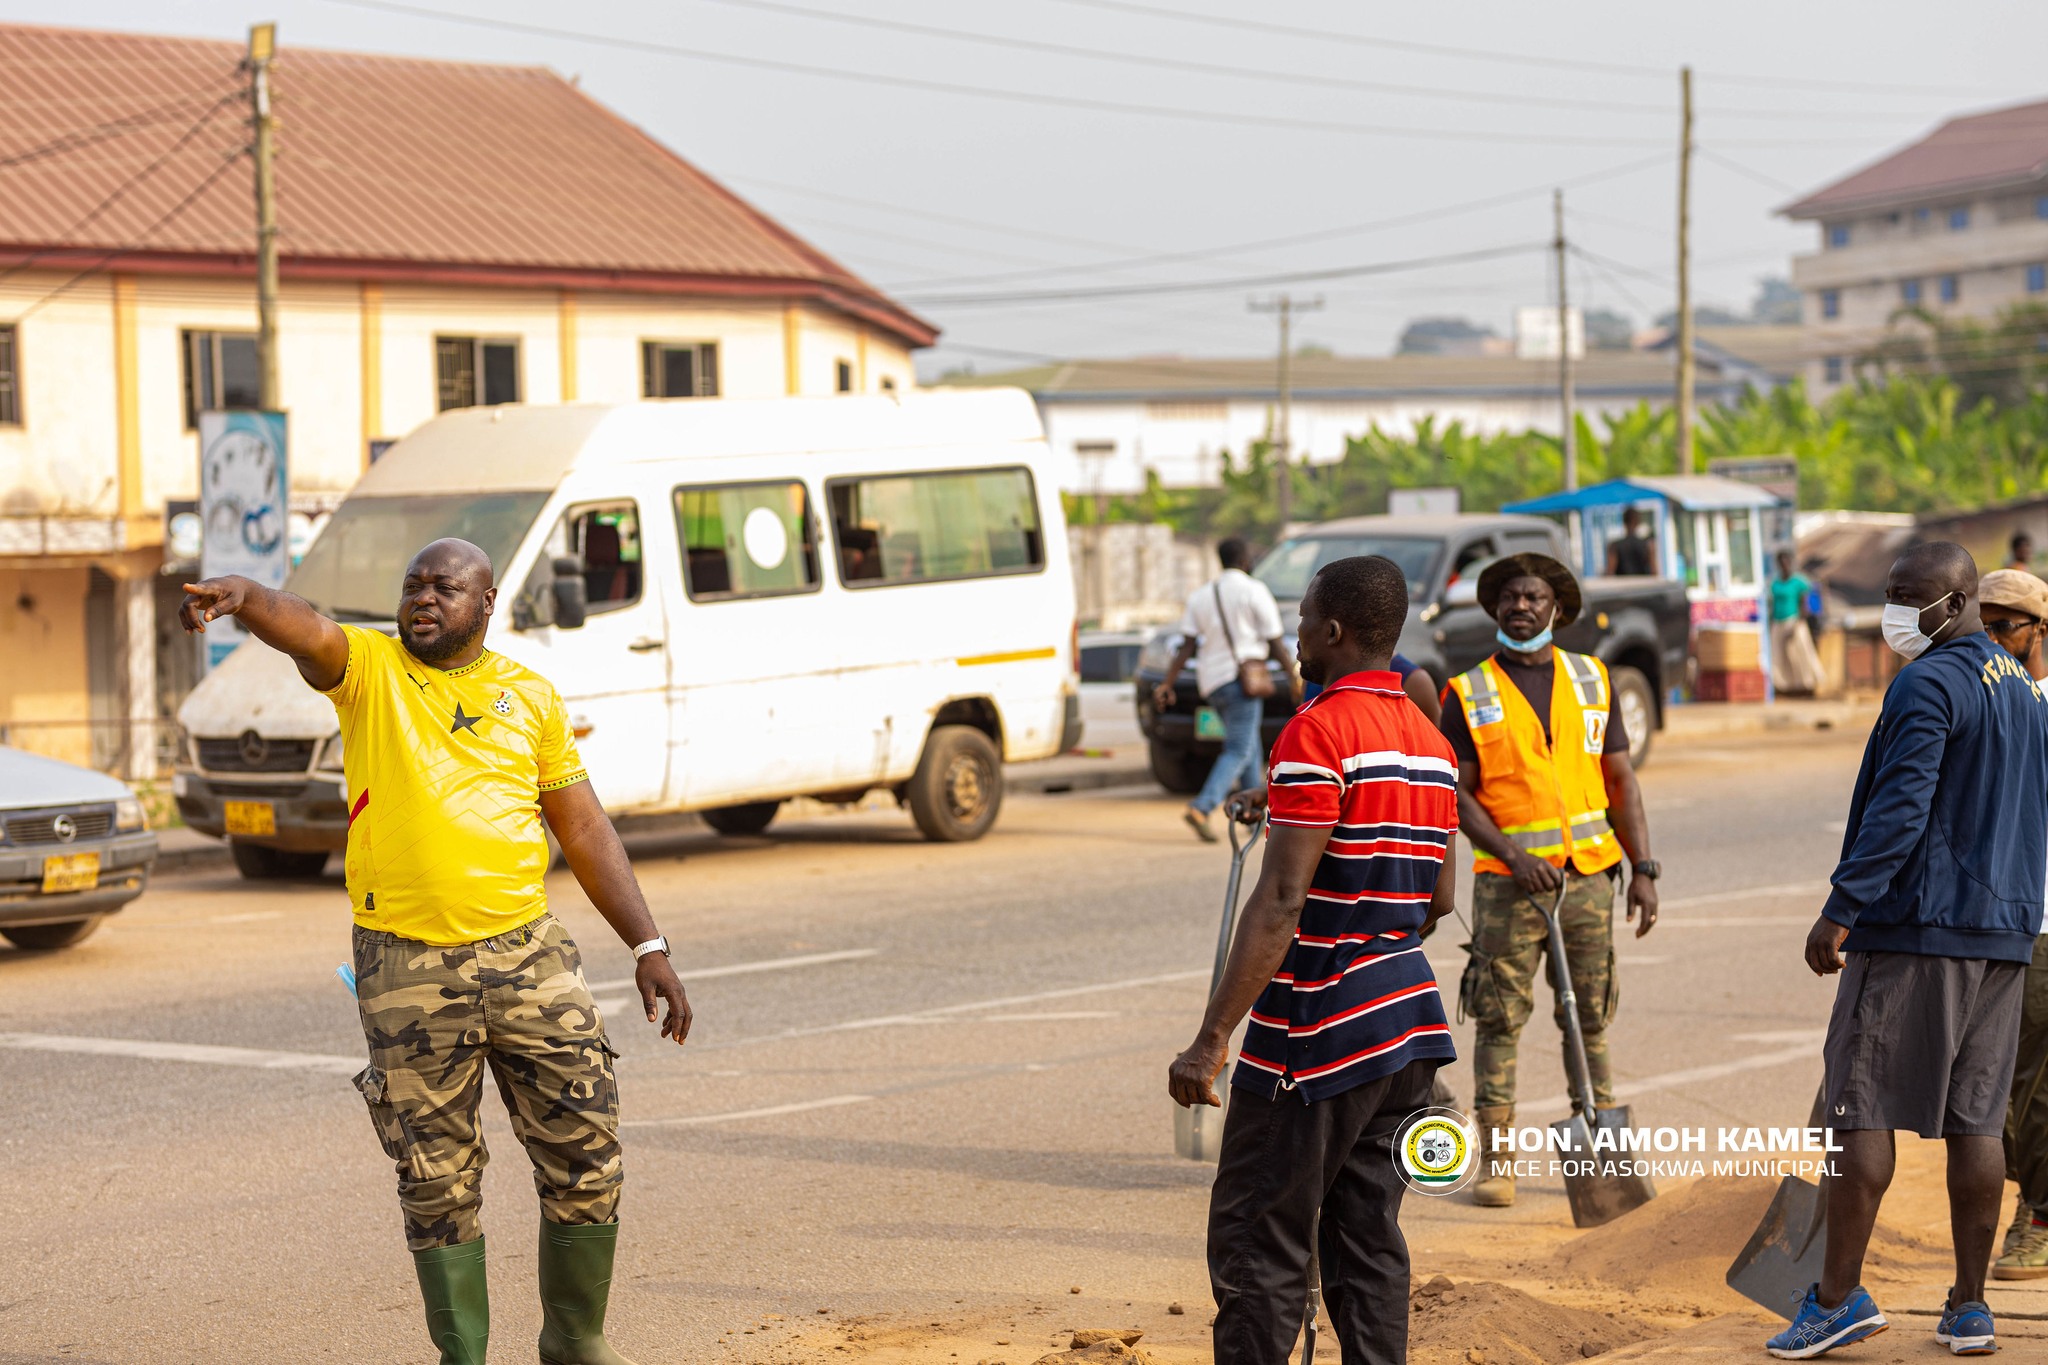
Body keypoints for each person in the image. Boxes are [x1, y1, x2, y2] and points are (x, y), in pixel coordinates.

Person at [180, 539, 691, 1365]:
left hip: (529, 955)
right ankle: (465, 1357)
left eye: (446, 587)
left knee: (586, 1149)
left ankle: (575, 1340)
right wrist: (247, 596)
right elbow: (307, 628)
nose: (424, 598)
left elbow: (586, 827)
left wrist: (648, 943)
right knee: (435, 1176)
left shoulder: (530, 696)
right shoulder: (371, 671)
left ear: (487, 604)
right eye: (413, 584)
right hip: (407, 967)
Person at [1168, 554, 1458, 1365]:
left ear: (1333, 631)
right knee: (1367, 1240)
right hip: (1407, 1032)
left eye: (1300, 622)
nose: (1293, 637)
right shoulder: (1432, 745)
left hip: (1318, 1032)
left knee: (1258, 1240)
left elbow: (1282, 901)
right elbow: (1437, 900)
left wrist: (1211, 1036)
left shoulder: (1318, 731)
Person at [1771, 543, 2048, 1360]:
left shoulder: (1928, 682)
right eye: (1892, 593)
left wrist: (1841, 907)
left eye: (1908, 595)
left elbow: (1901, 809)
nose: (1895, 608)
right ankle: (1969, 1305)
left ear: (1956, 600)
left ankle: (1835, 1299)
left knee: (1861, 1103)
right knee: (1976, 1118)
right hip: (2004, 933)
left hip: (1920, 929)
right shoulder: (2020, 688)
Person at [1439, 552, 1658, 1210]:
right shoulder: (1467, 691)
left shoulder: (1593, 679)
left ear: (1557, 607)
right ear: (1494, 609)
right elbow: (1459, 794)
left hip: (1590, 876)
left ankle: (1607, 1154)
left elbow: (1621, 781)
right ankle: (1497, 1163)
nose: (1522, 605)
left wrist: (1644, 868)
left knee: (1589, 1017)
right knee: (1499, 1019)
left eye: (1534, 596)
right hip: (1509, 887)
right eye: (1509, 596)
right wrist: (1510, 854)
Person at [1980, 569, 2048, 1282]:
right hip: (1994, 917)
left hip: (2037, 920)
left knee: (2028, 1084)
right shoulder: (1992, 697)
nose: (1994, 640)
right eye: (1986, 625)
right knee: (1985, 1087)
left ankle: (2038, 1211)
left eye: (2008, 626)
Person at [1154, 537, 1297, 843]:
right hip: (1242, 681)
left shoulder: (1201, 595)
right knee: (1238, 749)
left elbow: (1187, 645)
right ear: (1245, 558)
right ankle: (1201, 807)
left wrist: (1168, 683)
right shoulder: (1254, 590)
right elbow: (1274, 640)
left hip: (1213, 683)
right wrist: (1294, 679)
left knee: (1249, 746)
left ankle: (1253, 819)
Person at [1771, 549, 1824, 696]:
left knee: (1801, 654)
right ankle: (1786, 686)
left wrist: (1798, 622)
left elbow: (1804, 604)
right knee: (1780, 656)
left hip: (1794, 621)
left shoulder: (1799, 582)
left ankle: (1807, 684)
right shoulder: (1775, 582)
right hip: (1778, 621)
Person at [1605, 507, 1658, 577]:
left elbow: (1609, 573)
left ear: (1624, 522)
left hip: (1621, 586)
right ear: (1638, 522)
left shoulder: (1614, 546)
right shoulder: (1648, 546)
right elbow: (1654, 572)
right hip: (1643, 586)